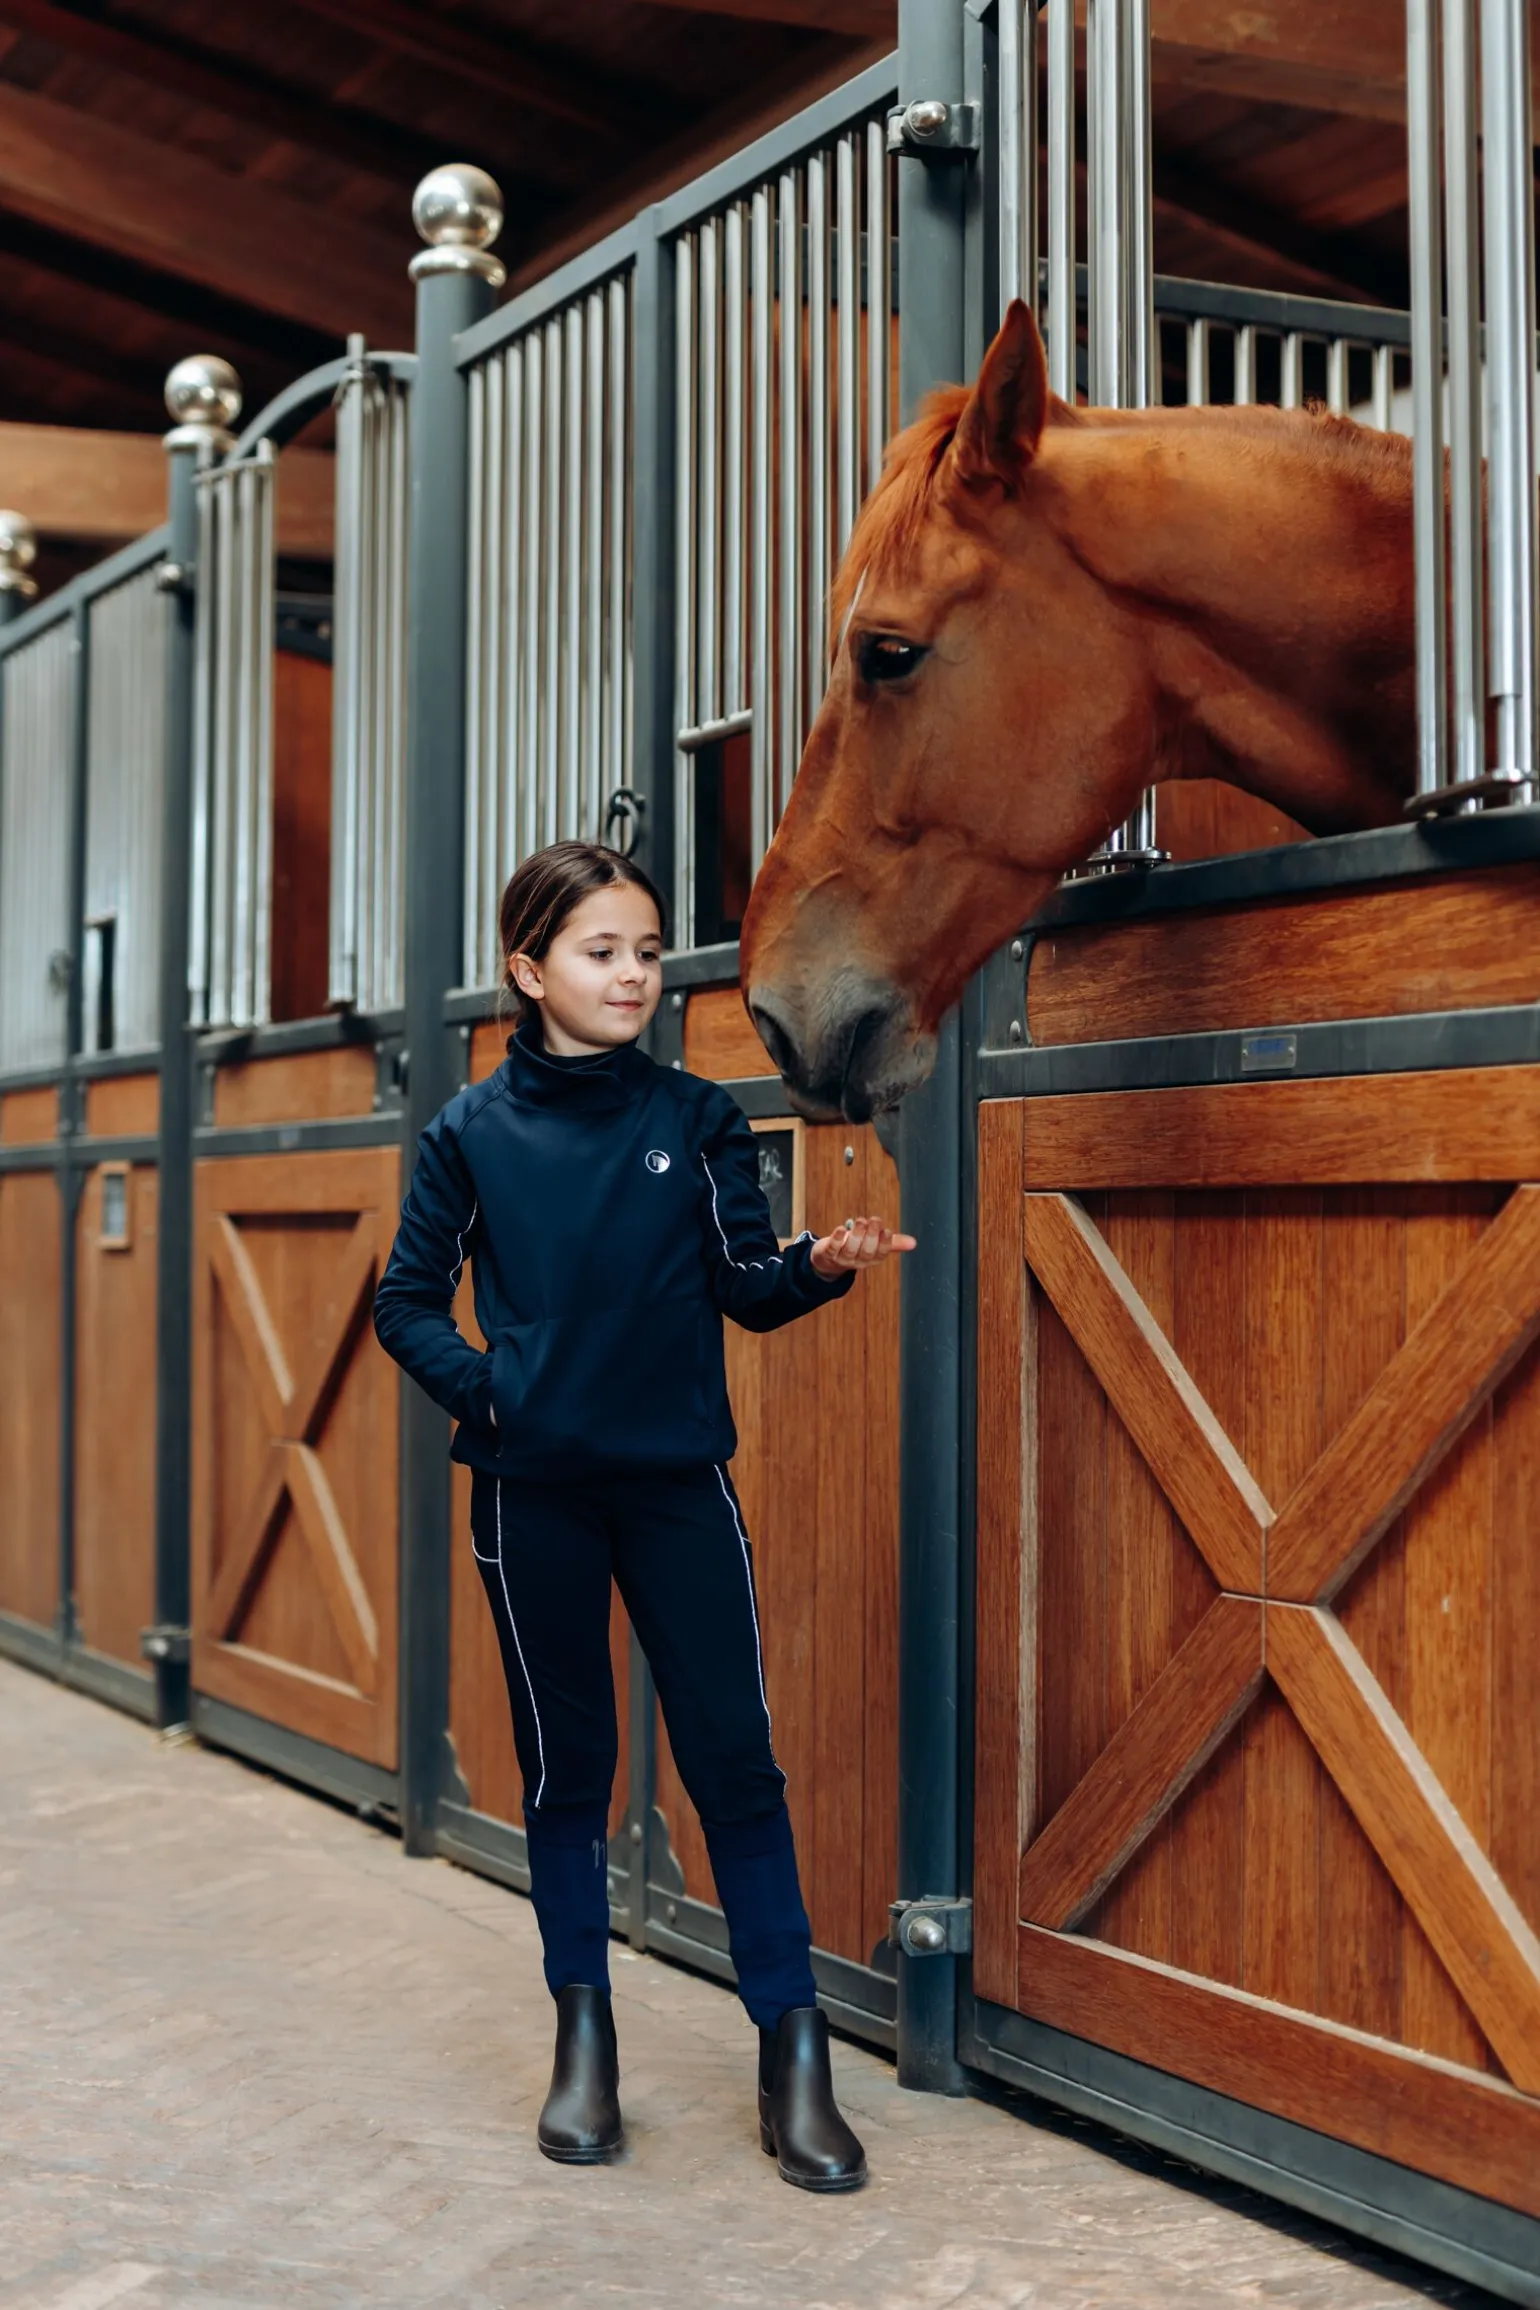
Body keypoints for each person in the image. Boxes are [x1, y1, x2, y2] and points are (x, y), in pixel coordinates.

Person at [373, 841, 914, 2190]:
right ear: (529, 969)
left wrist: (818, 1263)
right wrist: (495, 1391)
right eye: (601, 950)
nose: (634, 973)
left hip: (679, 1489)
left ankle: (796, 2057)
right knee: (571, 1774)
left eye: (647, 949)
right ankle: (584, 2043)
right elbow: (403, 1303)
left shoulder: (701, 1115)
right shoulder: (468, 1135)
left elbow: (746, 1282)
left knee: (736, 1762)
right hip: (530, 1495)